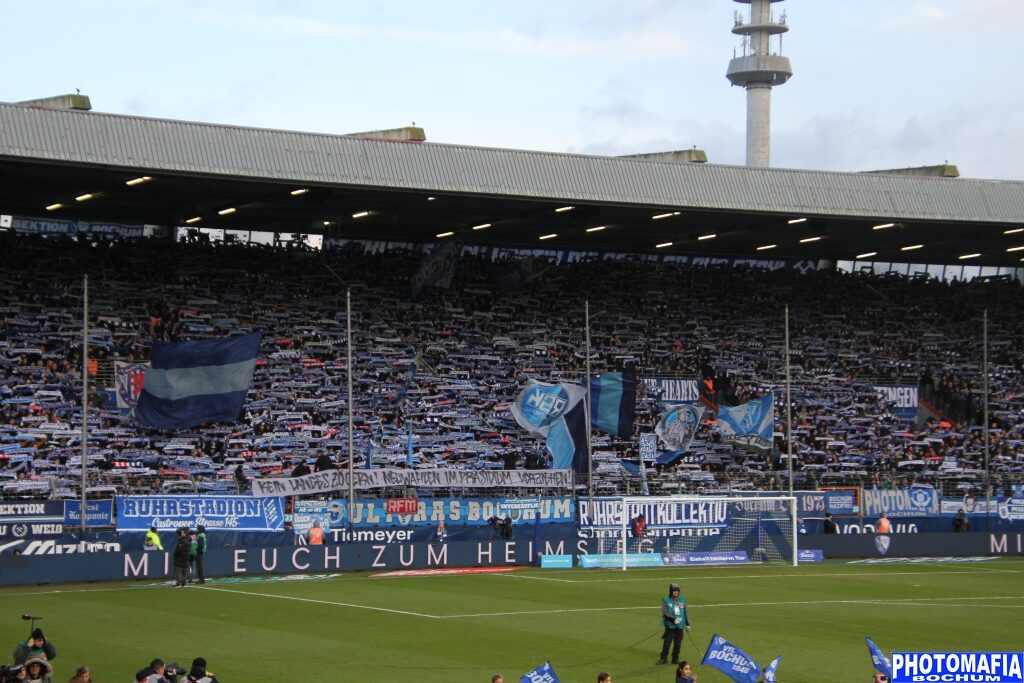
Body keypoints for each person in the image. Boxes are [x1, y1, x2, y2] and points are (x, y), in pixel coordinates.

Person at [657, 583, 690, 665]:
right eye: (674, 591)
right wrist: (673, 619)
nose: (676, 592)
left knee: (678, 643)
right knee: (667, 642)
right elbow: (665, 612)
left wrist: (688, 623)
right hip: (670, 625)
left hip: (680, 625)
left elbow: (685, 612)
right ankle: (663, 658)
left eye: (677, 591)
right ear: (671, 591)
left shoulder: (682, 599)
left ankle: (675, 659)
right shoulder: (666, 600)